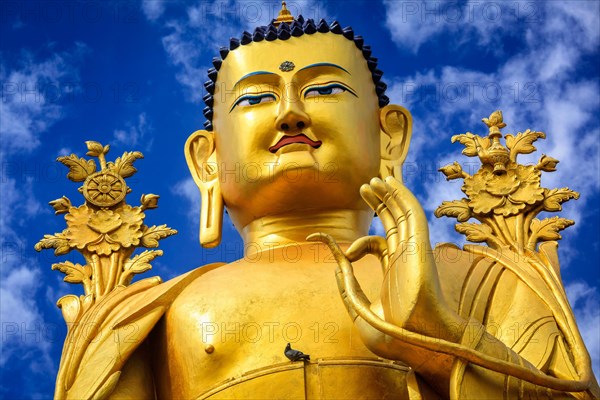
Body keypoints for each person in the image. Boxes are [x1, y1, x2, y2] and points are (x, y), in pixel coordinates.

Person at [48, 5, 599, 400]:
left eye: (325, 89)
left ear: (390, 137)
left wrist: (437, 335)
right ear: (207, 162)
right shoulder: (147, 316)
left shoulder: (476, 281)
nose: (291, 113)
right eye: (258, 97)